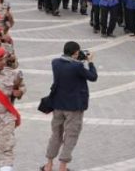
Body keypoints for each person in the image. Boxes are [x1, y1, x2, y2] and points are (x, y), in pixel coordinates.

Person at [41, 41, 98, 171]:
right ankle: (63, 167)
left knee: (56, 134)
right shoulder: (77, 67)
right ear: (75, 53)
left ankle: (48, 165)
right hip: (74, 107)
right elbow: (93, 77)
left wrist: (78, 61)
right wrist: (90, 62)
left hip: (58, 105)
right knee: (71, 136)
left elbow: (68, 65)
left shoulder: (55, 62)